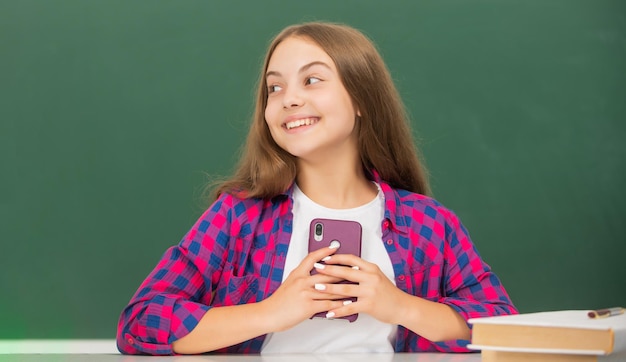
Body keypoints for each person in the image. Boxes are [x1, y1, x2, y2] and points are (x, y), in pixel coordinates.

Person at [116, 21, 517, 356]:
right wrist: (273, 311)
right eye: (275, 88)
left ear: (361, 98)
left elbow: (503, 328)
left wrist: (399, 305)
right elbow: (140, 323)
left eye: (311, 80)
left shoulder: (430, 224)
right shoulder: (238, 215)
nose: (289, 99)